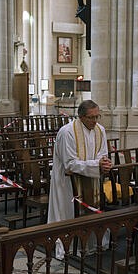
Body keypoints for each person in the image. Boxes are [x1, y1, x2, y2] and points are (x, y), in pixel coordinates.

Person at [47, 100, 112, 260]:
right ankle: (70, 246)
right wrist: (97, 165)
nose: (95, 121)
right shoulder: (67, 132)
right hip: (68, 182)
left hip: (91, 180)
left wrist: (103, 163)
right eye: (91, 117)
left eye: (98, 116)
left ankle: (91, 243)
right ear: (81, 117)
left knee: (91, 210)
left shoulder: (100, 130)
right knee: (68, 213)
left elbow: (102, 153)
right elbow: (69, 163)